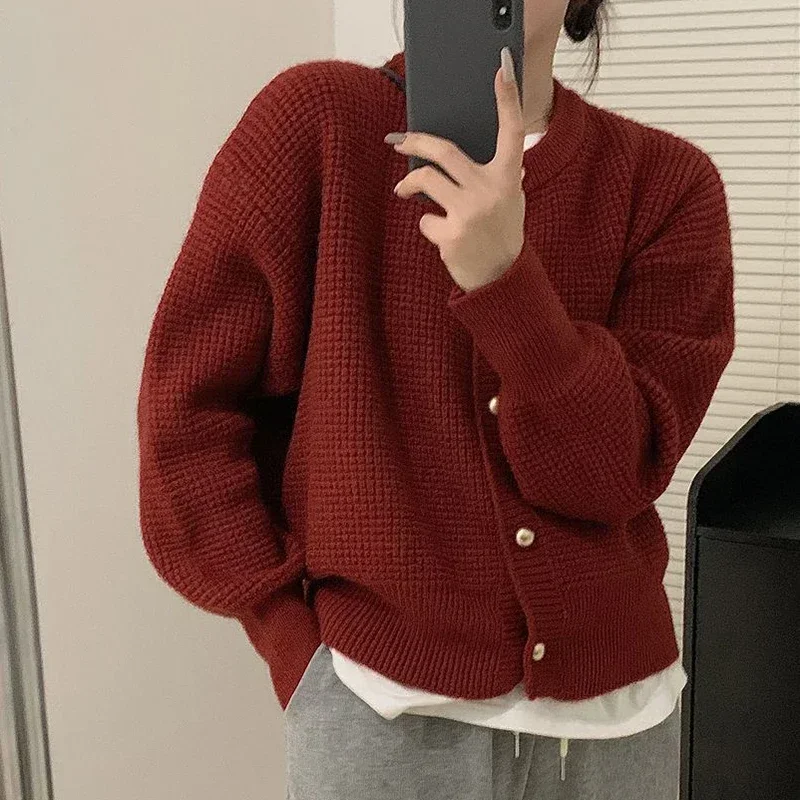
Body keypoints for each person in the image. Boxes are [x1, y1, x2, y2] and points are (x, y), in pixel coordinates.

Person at [137, 0, 735, 797]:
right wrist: (293, 646)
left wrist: (505, 279)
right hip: (376, 714)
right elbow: (187, 416)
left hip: (618, 734)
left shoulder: (667, 185)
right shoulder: (317, 124)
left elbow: (614, 475)